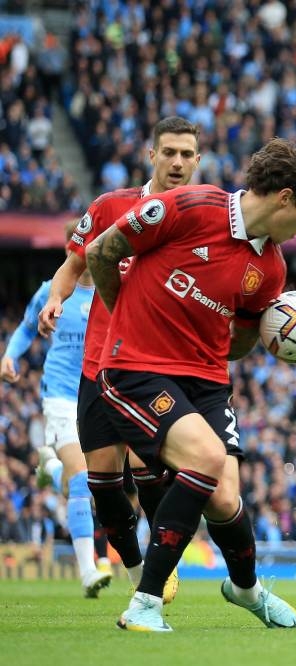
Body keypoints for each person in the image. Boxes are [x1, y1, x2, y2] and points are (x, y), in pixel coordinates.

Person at [85, 137, 296, 632]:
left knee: (225, 499)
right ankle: (145, 604)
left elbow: (240, 341)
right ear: (284, 197)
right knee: (203, 459)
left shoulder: (271, 269)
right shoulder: (188, 206)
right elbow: (102, 251)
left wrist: (270, 337)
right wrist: (128, 325)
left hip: (206, 381)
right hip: (136, 368)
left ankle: (246, 590)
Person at [38, 116, 203, 604]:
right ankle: (138, 574)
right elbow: (72, 265)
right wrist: (56, 300)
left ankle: (159, 568)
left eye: (186, 154)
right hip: (100, 365)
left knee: (155, 472)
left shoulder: (200, 218)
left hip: (158, 367)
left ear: (197, 160)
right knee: (105, 482)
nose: (177, 162)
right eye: (168, 152)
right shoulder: (111, 206)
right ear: (151, 155)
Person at [1, 223, 111, 597]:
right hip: (60, 395)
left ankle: (48, 466)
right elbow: (26, 329)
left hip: (97, 397)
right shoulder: (52, 292)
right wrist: (9, 357)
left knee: (90, 481)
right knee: (81, 479)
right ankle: (88, 572)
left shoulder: (112, 294)